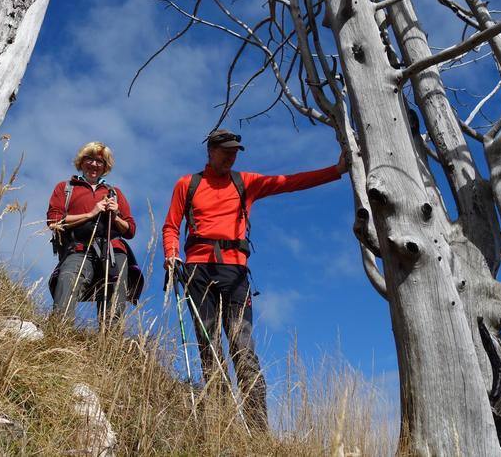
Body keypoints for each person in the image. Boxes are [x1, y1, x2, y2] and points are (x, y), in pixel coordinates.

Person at [161, 128, 347, 432]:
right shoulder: (188, 184)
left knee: (243, 349)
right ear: (210, 152)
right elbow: (171, 225)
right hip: (197, 271)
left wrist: (336, 170)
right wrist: (171, 254)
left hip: (235, 273)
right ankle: (220, 427)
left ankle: (259, 432)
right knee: (210, 351)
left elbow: (290, 182)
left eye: (235, 151)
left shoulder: (245, 182)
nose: (232, 156)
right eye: (226, 151)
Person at [46, 142, 143, 328]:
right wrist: (90, 213)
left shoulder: (115, 193)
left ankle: (109, 343)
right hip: (78, 247)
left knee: (116, 289)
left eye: (100, 161)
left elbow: (130, 230)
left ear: (105, 167)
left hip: (113, 249)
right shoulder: (66, 188)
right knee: (68, 279)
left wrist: (115, 217)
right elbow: (54, 222)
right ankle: (58, 331)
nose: (94, 164)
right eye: (89, 159)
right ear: (81, 162)